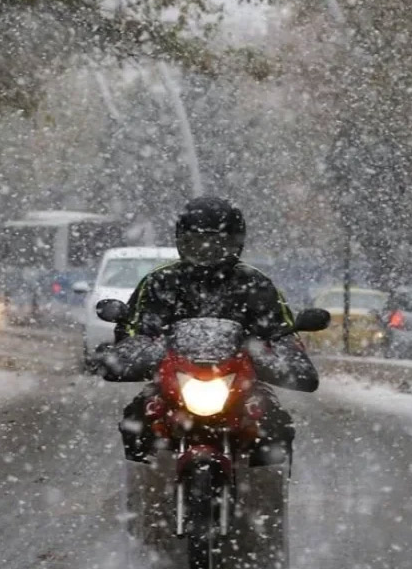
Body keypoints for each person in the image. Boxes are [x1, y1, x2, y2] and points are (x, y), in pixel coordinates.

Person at [111, 196, 314, 463]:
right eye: (196, 242)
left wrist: (289, 357)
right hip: (173, 383)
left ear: (236, 244)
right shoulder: (159, 282)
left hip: (240, 385)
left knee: (275, 425)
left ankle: (265, 484)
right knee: (137, 422)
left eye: (218, 244)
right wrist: (125, 354)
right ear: (181, 242)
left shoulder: (256, 284)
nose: (207, 251)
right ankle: (144, 481)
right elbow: (135, 329)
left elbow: (281, 332)